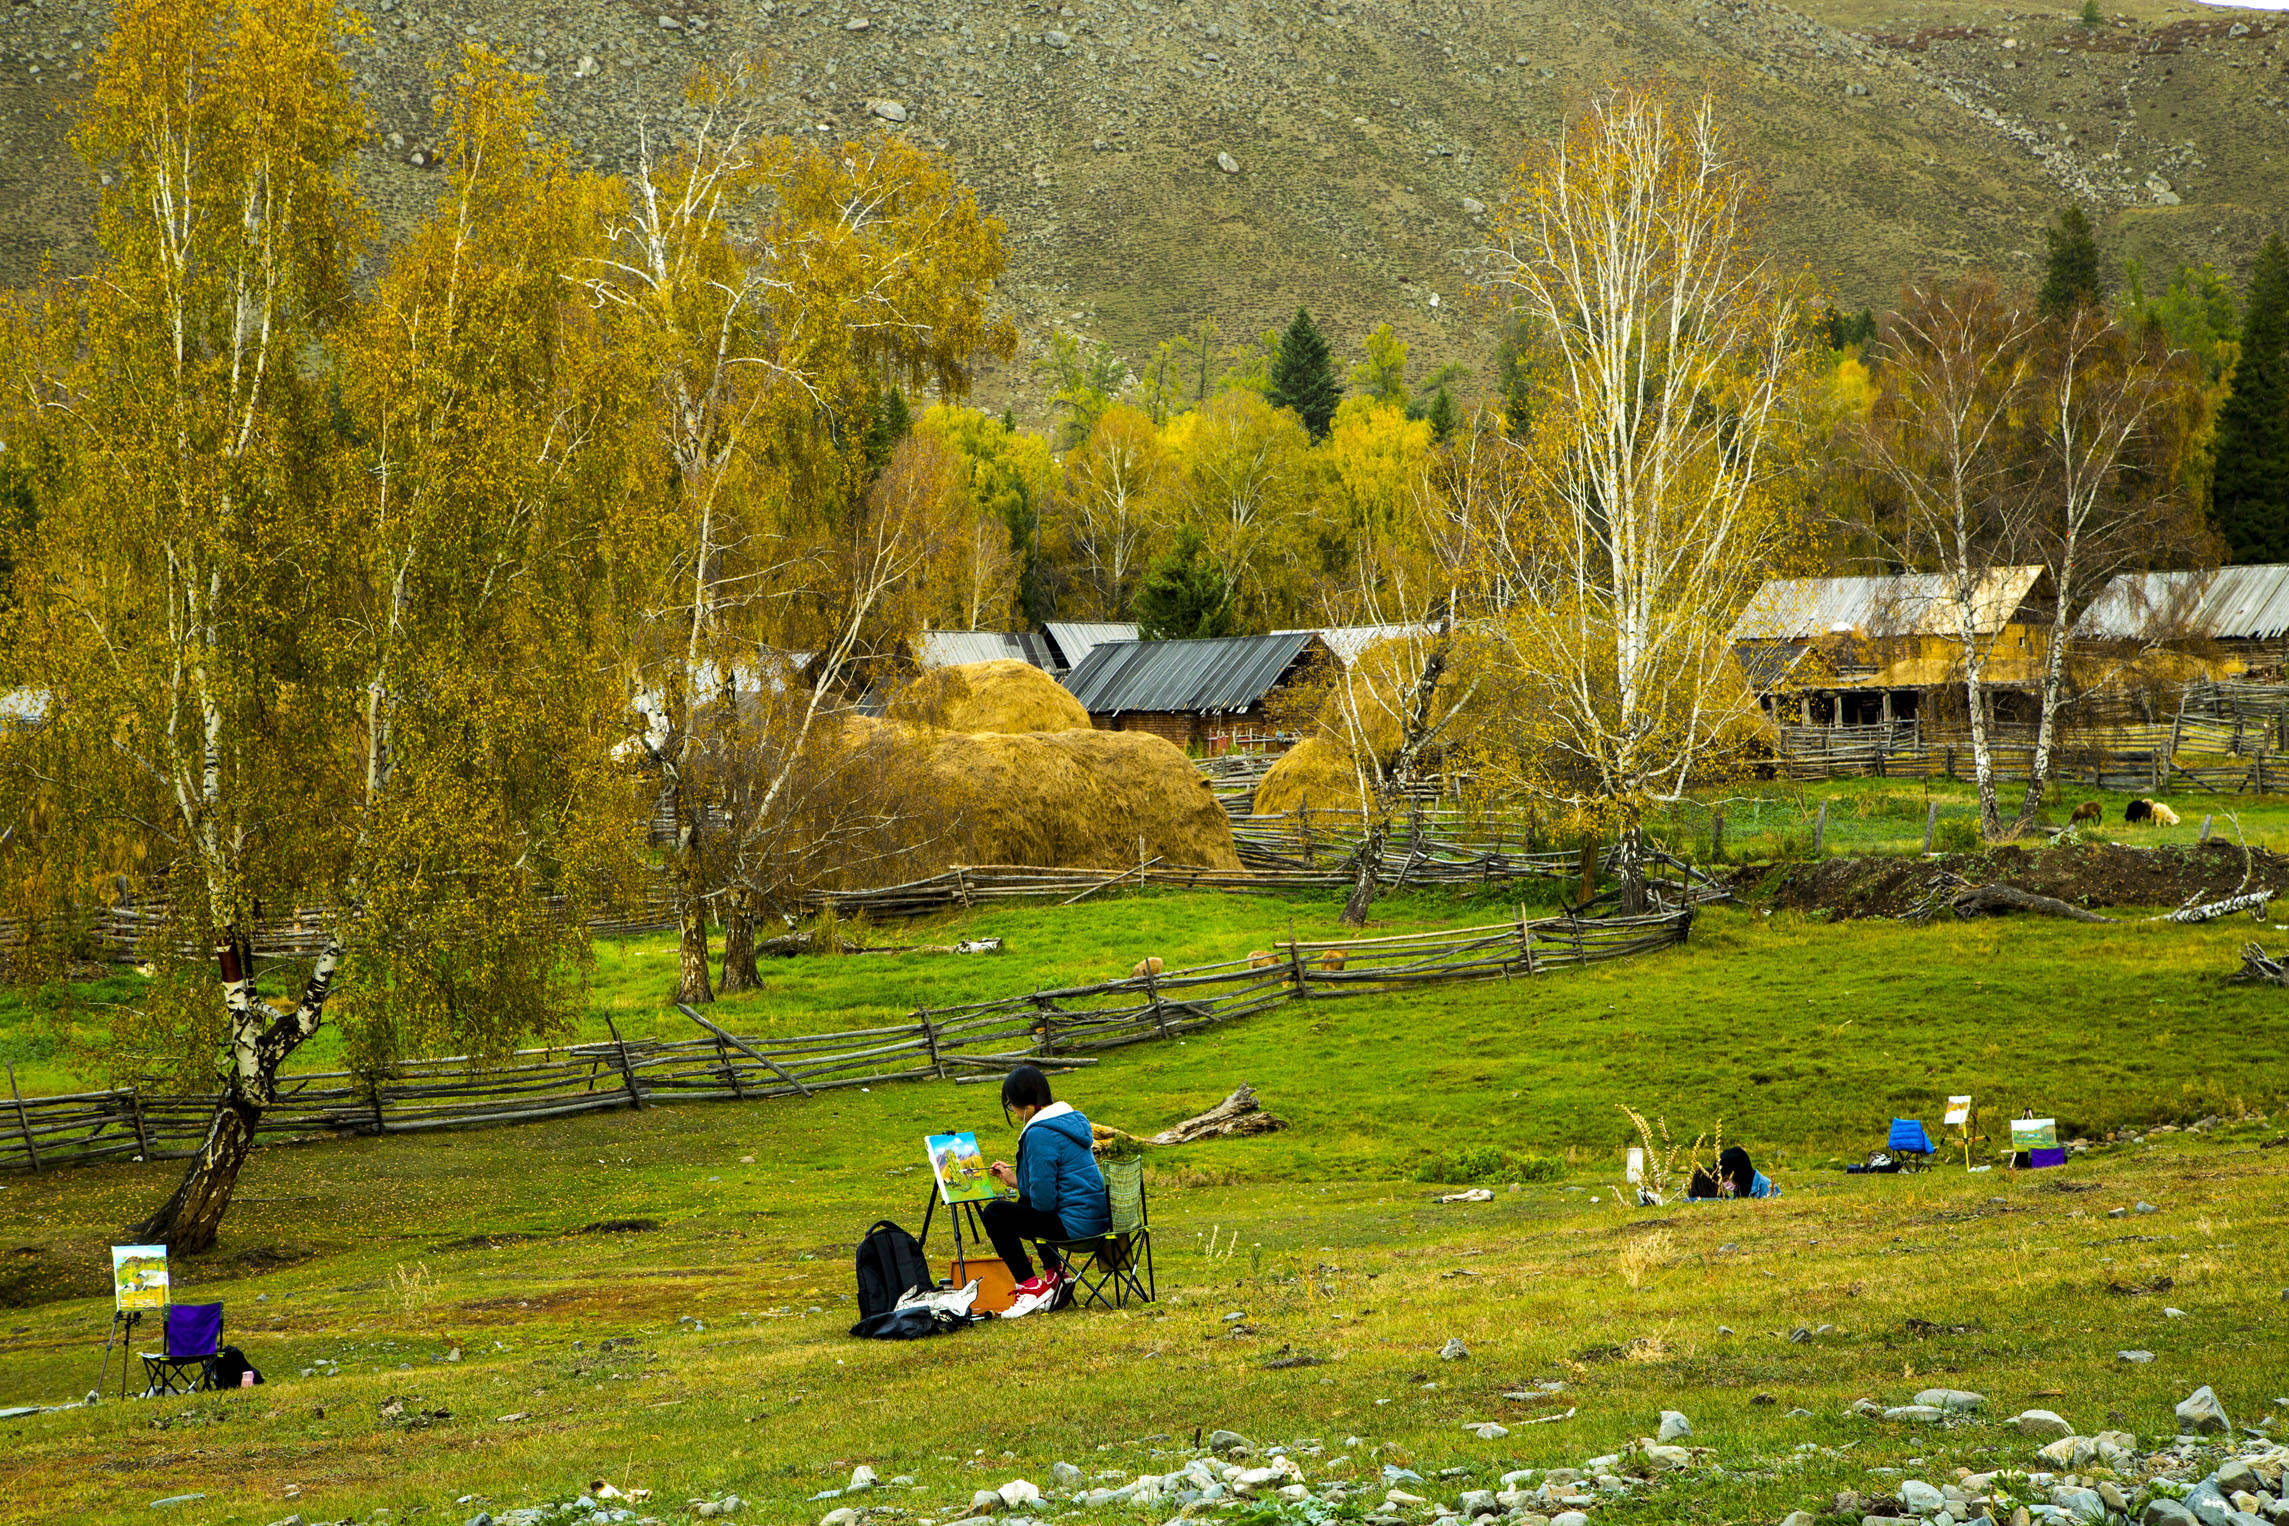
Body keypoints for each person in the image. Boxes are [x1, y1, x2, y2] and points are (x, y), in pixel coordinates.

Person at [981, 1066, 1110, 1304]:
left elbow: (1043, 1201)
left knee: (994, 1213)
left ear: (1026, 1104)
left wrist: (1023, 1187)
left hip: (1076, 1228)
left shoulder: (1040, 1133)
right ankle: (1055, 1275)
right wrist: (1015, 1181)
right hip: (1097, 1220)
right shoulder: (1068, 1121)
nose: (1016, 1114)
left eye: (1012, 1106)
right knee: (1025, 1203)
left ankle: (1030, 1286)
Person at [1686, 1145, 1777, 1200]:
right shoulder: (1739, 1189)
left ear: (1738, 1173)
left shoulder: (1767, 1187)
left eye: (1726, 1179)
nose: (1726, 1184)